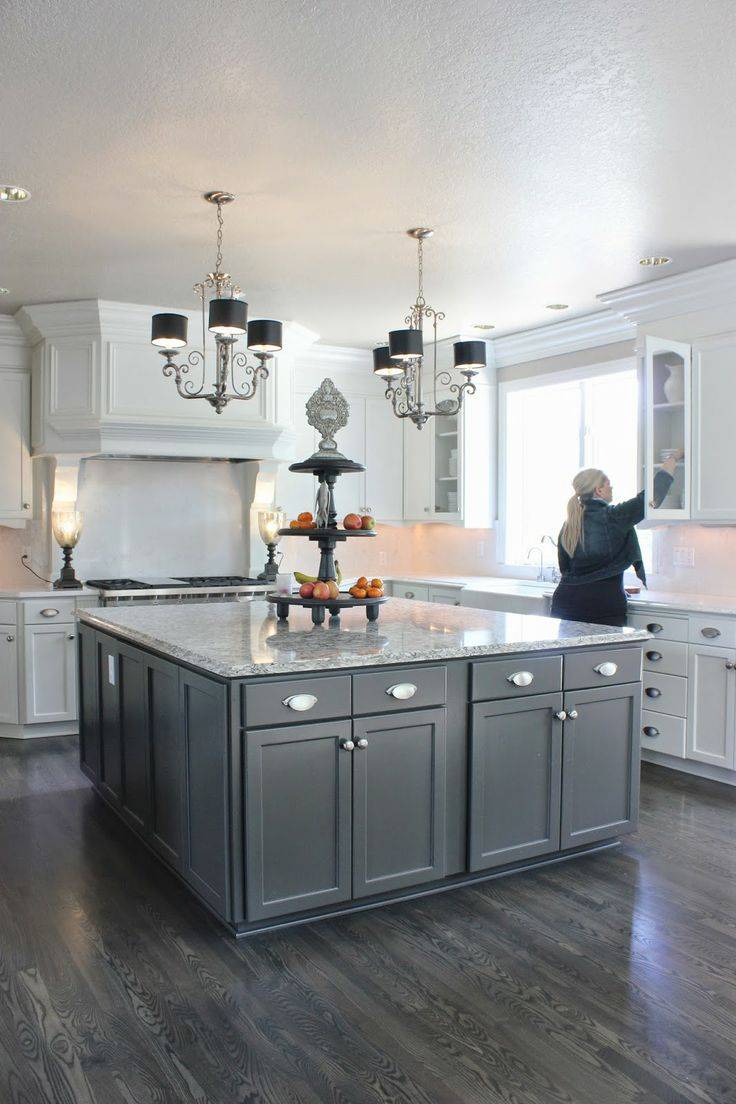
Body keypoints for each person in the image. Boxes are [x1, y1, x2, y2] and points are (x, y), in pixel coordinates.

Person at [550, 450, 683, 627]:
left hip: (566, 602)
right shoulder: (614, 516)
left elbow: (565, 569)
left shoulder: (569, 525)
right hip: (603, 606)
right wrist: (674, 458)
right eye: (608, 484)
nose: (611, 488)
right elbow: (652, 496)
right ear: (598, 490)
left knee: (570, 655)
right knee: (604, 656)